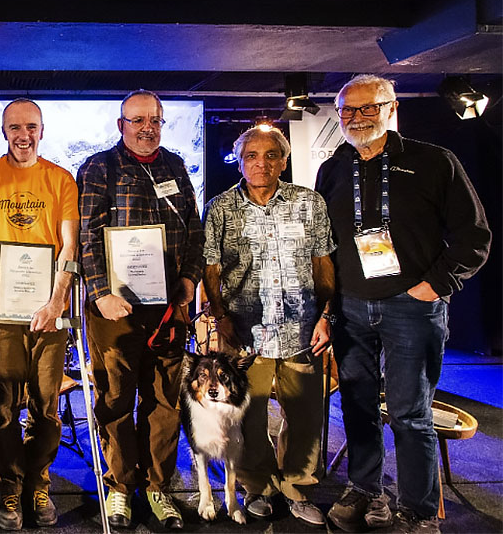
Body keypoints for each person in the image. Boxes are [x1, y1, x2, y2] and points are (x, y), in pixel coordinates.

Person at [316, 75, 491, 534]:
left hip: (411, 306)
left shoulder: (435, 162)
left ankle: (416, 510)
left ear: (392, 109)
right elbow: (328, 246)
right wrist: (330, 307)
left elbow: (474, 236)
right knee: (355, 404)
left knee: (411, 411)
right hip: (352, 307)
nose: (356, 119)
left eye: (367, 108)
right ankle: (366, 490)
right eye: (347, 111)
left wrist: (434, 286)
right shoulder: (333, 168)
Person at [76, 89, 203, 530]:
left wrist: (189, 278)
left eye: (155, 119)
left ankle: (157, 487)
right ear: (121, 125)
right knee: (115, 399)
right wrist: (99, 292)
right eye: (138, 120)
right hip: (115, 310)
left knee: (165, 400)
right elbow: (87, 234)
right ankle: (118, 487)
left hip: (169, 308)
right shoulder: (98, 167)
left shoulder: (175, 165)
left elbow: (195, 228)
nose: (147, 127)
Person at [203, 125, 336, 527]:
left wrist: (327, 315)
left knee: (306, 415)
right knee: (248, 416)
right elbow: (212, 268)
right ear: (240, 162)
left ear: (284, 159)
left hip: (302, 329)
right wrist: (221, 317)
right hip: (244, 334)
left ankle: (298, 488)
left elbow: (324, 264)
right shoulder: (221, 207)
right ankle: (257, 487)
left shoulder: (309, 203)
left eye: (271, 155)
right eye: (252, 156)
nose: (262, 163)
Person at [0, 98, 79, 531]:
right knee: (4, 407)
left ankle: (39, 481)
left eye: (30, 126)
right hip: (0, 313)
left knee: (45, 407)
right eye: (15, 127)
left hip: (49, 314)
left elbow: (69, 248)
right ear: (4, 130)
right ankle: (9, 488)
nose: (23, 135)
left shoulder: (60, 180)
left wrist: (56, 303)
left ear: (42, 130)